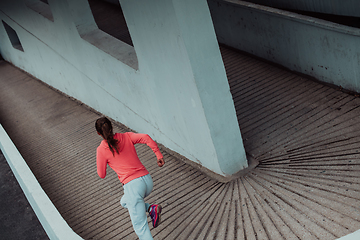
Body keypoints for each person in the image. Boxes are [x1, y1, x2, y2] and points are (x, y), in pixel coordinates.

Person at [95, 117, 165, 240]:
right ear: (112, 127)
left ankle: (149, 208)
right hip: (147, 181)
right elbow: (146, 137)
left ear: (98, 133)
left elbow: (102, 174)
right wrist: (158, 155)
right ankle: (150, 208)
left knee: (141, 229)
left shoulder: (101, 149)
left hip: (133, 186)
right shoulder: (126, 136)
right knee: (124, 202)